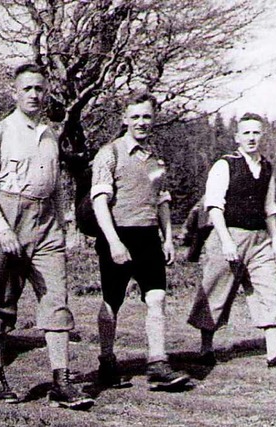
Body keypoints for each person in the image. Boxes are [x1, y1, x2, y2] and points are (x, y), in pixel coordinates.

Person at [0, 64, 94, 410]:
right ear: (15, 92)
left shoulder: (50, 134)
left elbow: (56, 186)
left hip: (45, 226)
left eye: (39, 89)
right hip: (7, 219)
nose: (34, 95)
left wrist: (62, 223)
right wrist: (2, 229)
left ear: (46, 92)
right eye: (27, 88)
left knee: (57, 299)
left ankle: (62, 380)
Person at [187, 113, 276, 369]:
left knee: (271, 290)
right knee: (215, 290)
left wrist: (275, 242)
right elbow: (214, 206)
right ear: (237, 137)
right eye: (247, 133)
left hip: (259, 238)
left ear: (262, 136)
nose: (252, 138)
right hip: (228, 235)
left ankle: (274, 354)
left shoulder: (267, 168)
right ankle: (205, 349)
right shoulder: (225, 165)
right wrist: (227, 241)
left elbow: (269, 208)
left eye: (256, 133)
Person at [90, 93, 190, 390]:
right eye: (135, 117)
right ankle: (107, 362)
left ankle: (158, 364)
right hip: (118, 234)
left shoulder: (155, 159)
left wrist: (168, 238)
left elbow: (162, 201)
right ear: (125, 119)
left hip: (148, 237)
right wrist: (113, 242)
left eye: (146, 116)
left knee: (156, 297)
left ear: (153, 118)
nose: (141, 122)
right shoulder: (110, 153)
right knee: (112, 301)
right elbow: (99, 201)